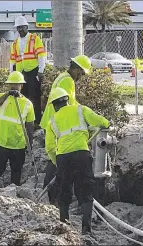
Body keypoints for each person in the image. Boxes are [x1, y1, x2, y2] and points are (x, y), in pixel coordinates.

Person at [45, 87, 110, 234]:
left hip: (63, 157)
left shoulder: (52, 120)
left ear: (54, 105)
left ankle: (64, 228)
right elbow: (101, 121)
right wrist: (106, 124)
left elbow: (49, 147)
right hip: (81, 154)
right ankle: (86, 229)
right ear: (67, 100)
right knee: (86, 192)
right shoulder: (81, 110)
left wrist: (57, 163)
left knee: (64, 192)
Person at [40, 54, 91, 207]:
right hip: (57, 123)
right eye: (81, 73)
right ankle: (51, 195)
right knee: (58, 159)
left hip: (53, 121)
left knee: (57, 158)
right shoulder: (68, 80)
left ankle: (52, 194)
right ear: (76, 68)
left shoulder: (62, 77)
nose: (81, 77)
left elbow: (70, 102)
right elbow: (68, 104)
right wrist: (85, 115)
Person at [0, 71, 35, 186]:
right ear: (8, 85)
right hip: (1, 142)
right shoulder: (0, 98)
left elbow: (30, 127)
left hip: (18, 145)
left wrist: (30, 145)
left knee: (16, 172)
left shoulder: (27, 104)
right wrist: (8, 94)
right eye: (11, 84)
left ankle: (15, 192)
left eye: (16, 84)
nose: (14, 86)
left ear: (21, 86)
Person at [9, 16, 47, 126]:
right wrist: (12, 75)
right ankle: (25, 120)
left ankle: (37, 120)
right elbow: (12, 60)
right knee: (22, 96)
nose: (20, 30)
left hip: (33, 72)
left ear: (26, 27)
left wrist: (41, 70)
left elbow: (41, 55)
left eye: (21, 27)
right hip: (21, 73)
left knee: (35, 96)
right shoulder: (15, 43)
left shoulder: (35, 39)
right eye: (18, 28)